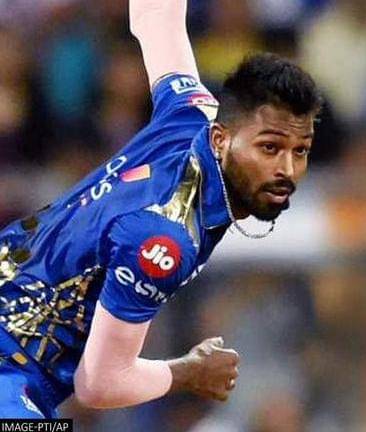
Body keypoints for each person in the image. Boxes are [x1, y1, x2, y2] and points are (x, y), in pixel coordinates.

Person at [0, 0, 322, 418]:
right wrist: (188, 372)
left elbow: (155, 15)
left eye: (301, 151)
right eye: (270, 148)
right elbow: (99, 384)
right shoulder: (165, 238)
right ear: (221, 140)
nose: (287, 170)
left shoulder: (192, 110)